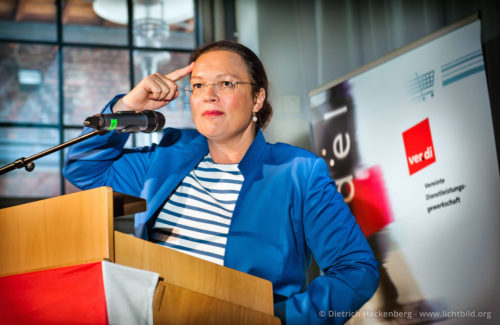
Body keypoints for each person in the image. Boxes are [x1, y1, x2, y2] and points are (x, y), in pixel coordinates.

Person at [64, 40, 379, 324]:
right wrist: (127, 108)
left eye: (226, 83)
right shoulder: (169, 155)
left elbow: (356, 271)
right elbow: (82, 168)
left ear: (257, 99)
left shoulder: (298, 171)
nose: (208, 95)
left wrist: (275, 320)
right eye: (198, 85)